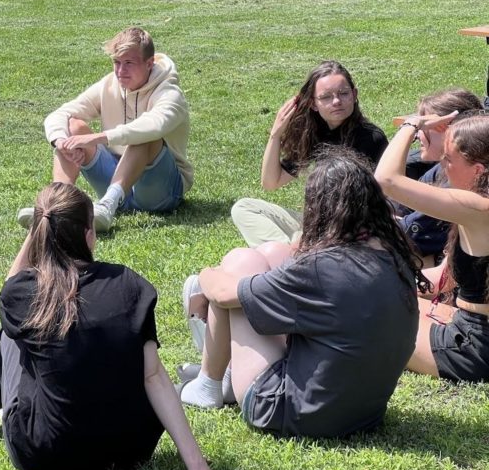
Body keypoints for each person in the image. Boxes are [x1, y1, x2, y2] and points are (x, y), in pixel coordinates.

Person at [0, 183, 218, 470]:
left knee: (8, 336)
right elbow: (154, 377)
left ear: (40, 232)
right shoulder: (129, 285)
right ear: (88, 234)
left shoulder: (24, 293)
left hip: (47, 454)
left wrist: (37, 231)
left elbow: (10, 289)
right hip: (130, 451)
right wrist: (198, 468)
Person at [178, 149, 423, 440]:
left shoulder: (322, 269)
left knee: (237, 263)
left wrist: (204, 276)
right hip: (364, 414)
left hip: (290, 411)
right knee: (271, 253)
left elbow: (222, 293)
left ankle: (208, 385)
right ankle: (226, 370)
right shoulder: (393, 255)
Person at [18, 27, 192, 232]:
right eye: (116, 63)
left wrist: (98, 138)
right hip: (118, 180)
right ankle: (56, 207)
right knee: (73, 127)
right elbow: (60, 114)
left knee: (146, 136)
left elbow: (155, 125)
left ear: (149, 63)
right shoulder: (109, 84)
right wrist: (60, 141)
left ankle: (107, 207)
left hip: (161, 193)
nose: (120, 71)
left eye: (128, 63)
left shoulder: (170, 93)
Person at [375, 111, 489, 383]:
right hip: (471, 327)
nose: (442, 164)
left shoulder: (479, 210)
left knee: (365, 317)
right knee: (377, 299)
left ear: (477, 171)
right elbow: (441, 278)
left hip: (472, 348)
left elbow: (387, 179)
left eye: (449, 159)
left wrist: (411, 125)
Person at [230, 60, 387, 247]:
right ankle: (293, 253)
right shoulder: (314, 134)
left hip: (351, 229)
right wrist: (276, 134)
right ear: (313, 103)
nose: (337, 101)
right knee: (244, 208)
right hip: (317, 224)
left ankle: (294, 254)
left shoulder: (369, 138)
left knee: (299, 239)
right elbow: (271, 182)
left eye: (343, 94)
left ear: (354, 95)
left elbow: (362, 208)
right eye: (326, 97)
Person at [392, 88, 482, 266]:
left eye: (424, 128)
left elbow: (386, 181)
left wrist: (409, 126)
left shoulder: (460, 182)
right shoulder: (442, 169)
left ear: (444, 128)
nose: (418, 135)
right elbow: (397, 204)